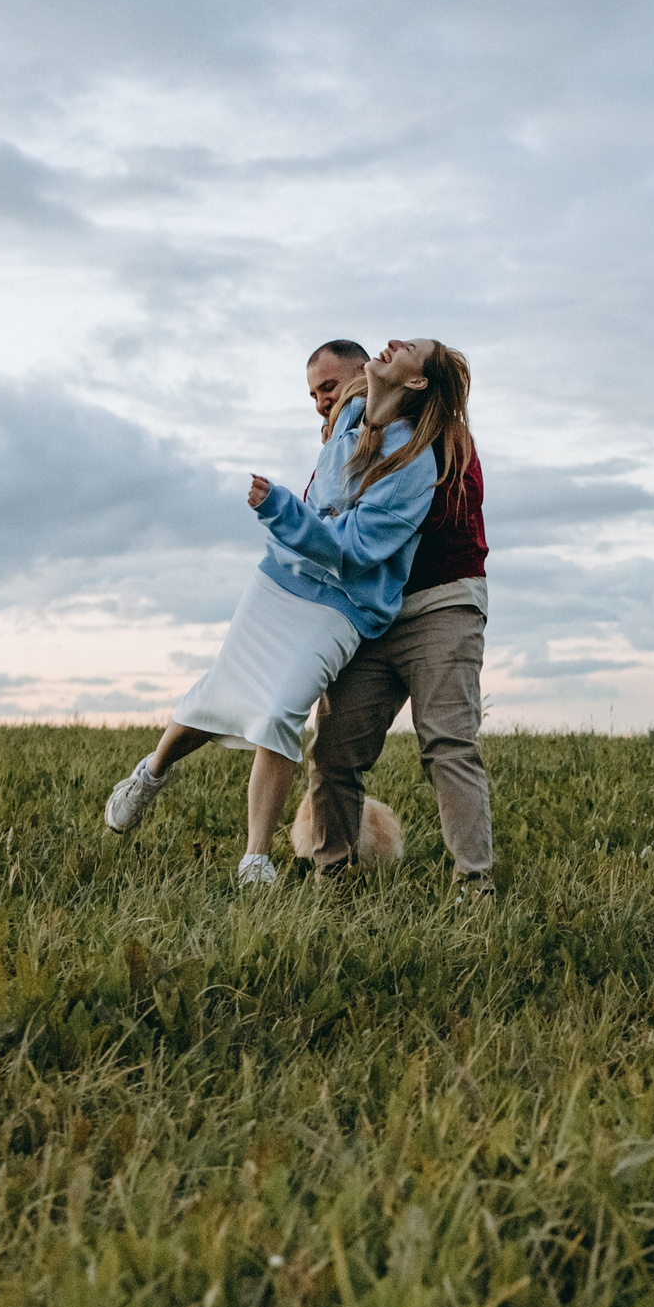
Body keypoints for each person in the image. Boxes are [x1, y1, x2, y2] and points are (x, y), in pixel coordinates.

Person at [103, 339, 470, 886]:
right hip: (280, 585)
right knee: (218, 693)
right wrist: (296, 511)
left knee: (281, 710)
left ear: (383, 379)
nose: (320, 401)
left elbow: (355, 547)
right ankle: (152, 772)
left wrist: (280, 509)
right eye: (312, 393)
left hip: (344, 604)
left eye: (328, 387)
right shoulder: (346, 427)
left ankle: (255, 858)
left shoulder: (414, 458)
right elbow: (325, 508)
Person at [296, 342, 495, 898]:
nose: (394, 345)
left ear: (417, 383)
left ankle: (474, 888)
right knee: (333, 749)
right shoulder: (345, 438)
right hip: (367, 615)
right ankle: (331, 877)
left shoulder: (447, 439)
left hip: (441, 603)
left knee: (448, 743)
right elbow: (321, 520)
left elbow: (375, 528)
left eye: (411, 349)